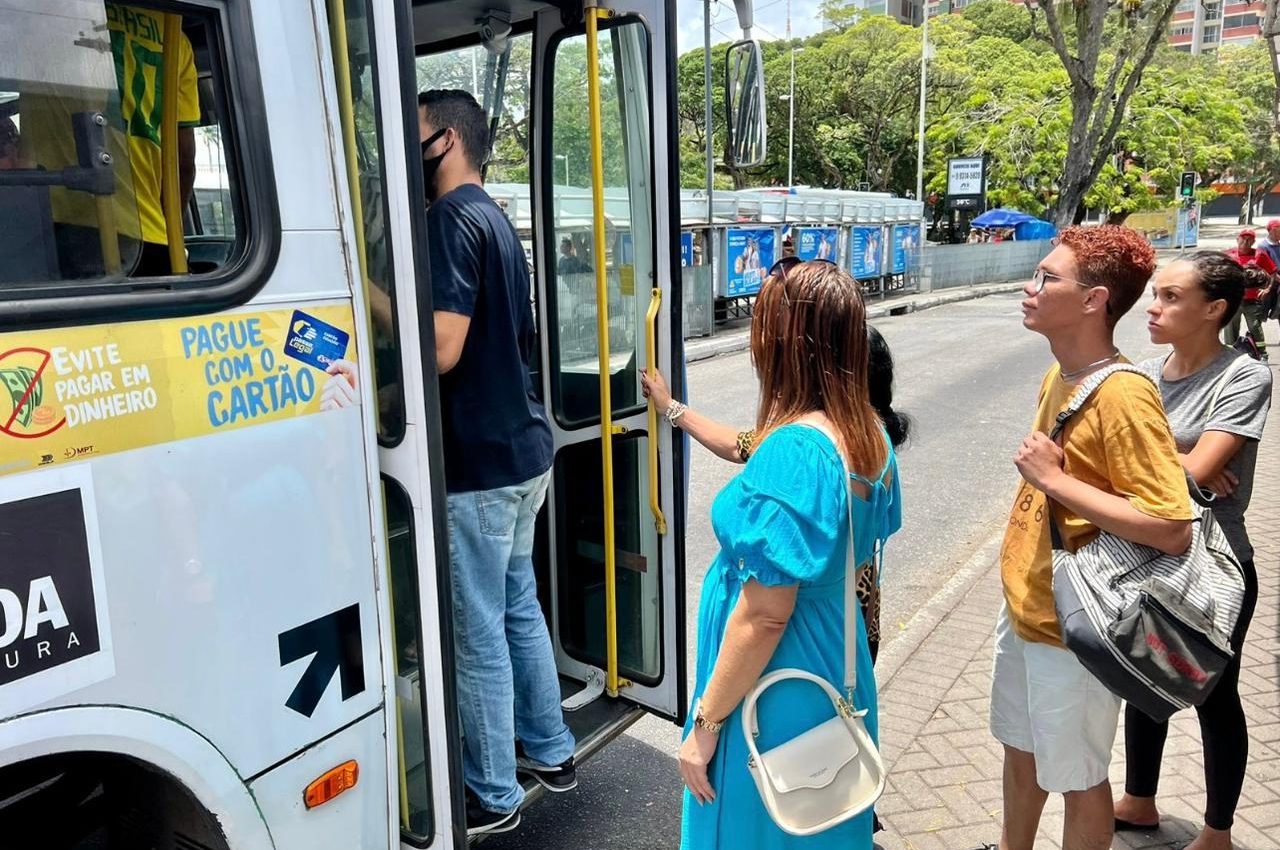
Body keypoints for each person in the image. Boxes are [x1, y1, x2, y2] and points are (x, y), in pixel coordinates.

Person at [676, 260, 900, 850]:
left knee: (750, 823)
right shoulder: (869, 433)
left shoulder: (796, 450)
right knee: (821, 817)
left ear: (781, 343)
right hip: (832, 656)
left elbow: (765, 614)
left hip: (774, 680)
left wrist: (706, 725)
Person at [989, 226, 1193, 850]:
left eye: (1048, 278)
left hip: (1077, 626)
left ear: (1093, 300)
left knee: (1079, 778)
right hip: (1028, 607)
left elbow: (1171, 526)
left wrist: (1055, 480)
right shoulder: (1062, 373)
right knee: (1020, 752)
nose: (1031, 287)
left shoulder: (1124, 395)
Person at [419, 88, 574, 837]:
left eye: (412, 134)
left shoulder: (448, 221)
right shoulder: (496, 219)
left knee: (478, 628)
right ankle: (549, 748)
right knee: (519, 608)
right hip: (524, 455)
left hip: (477, 468)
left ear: (444, 140)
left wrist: (381, 301)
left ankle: (494, 794)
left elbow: (443, 350)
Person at [1113, 253, 1271, 850]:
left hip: (1217, 563)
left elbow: (1201, 469)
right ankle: (1139, 800)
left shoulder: (1245, 377)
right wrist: (1181, 467)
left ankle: (1218, 831)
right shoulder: (1146, 376)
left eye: (1171, 297)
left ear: (1214, 310)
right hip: (1147, 552)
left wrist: (1178, 465)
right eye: (1155, 294)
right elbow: (1113, 461)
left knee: (1214, 693)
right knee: (1143, 676)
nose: (1153, 307)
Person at [640, 317, 908, 663]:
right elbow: (740, 445)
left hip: (802, 646)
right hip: (851, 628)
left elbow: (767, 615)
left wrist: (707, 717)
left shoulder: (808, 449)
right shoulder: (876, 441)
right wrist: (673, 408)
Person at [20, 3, 199, 277]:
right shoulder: (173, 31)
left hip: (64, 227)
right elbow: (183, 160)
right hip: (155, 242)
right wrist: (169, 229)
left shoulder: (42, 15)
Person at [1222, 228, 1276, 357]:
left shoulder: (1259, 254)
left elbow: (1273, 272)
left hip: (1252, 300)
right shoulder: (1228, 255)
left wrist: (1267, 289)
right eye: (1243, 239)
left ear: (1253, 241)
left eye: (1249, 239)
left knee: (1255, 327)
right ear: (1237, 239)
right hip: (1233, 300)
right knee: (1230, 329)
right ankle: (1230, 356)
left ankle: (1262, 355)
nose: (1245, 242)